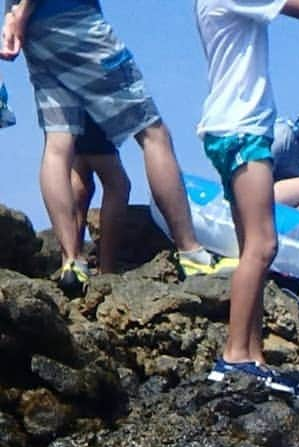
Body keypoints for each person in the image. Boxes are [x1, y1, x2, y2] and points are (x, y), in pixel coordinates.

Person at [0, 0, 232, 298]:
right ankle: (192, 252)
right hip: (75, 19)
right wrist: (23, 12)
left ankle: (72, 262)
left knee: (59, 144)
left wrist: (13, 18)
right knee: (153, 134)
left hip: (36, 33)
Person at [195, 0, 299, 396]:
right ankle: (235, 357)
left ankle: (252, 358)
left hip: (233, 128)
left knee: (251, 248)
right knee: (262, 245)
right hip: (241, 130)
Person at [70, 115, 129, 274]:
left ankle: (71, 261)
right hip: (92, 103)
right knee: (117, 184)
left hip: (64, 101)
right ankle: (107, 269)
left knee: (80, 176)